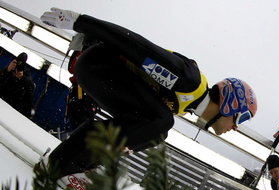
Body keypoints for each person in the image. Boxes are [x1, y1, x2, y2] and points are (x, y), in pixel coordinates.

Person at [40, 8, 258, 178]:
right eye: (240, 117)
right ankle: (63, 163)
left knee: (157, 132)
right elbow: (138, 47)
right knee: (161, 122)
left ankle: (79, 163)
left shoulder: (185, 102)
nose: (235, 127)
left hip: (106, 75)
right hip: (97, 64)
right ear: (229, 104)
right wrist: (81, 22)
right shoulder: (189, 82)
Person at [0, 52, 34, 118]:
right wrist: (7, 70)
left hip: (12, 107)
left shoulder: (25, 73)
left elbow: (30, 87)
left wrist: (21, 77)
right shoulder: (7, 70)